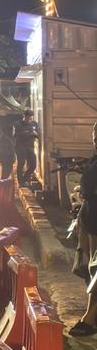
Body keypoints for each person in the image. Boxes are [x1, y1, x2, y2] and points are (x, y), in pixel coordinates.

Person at [70, 122, 97, 337]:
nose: (95, 137)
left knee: (96, 270)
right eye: (95, 133)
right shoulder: (95, 159)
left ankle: (89, 318)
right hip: (90, 218)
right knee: (91, 269)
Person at [15, 110, 40, 184]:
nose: (29, 120)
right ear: (24, 117)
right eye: (27, 118)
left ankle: (24, 179)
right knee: (21, 163)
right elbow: (17, 135)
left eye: (30, 119)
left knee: (33, 165)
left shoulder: (34, 124)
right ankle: (21, 181)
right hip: (20, 146)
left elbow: (38, 134)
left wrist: (35, 134)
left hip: (30, 147)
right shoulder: (18, 124)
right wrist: (29, 133)